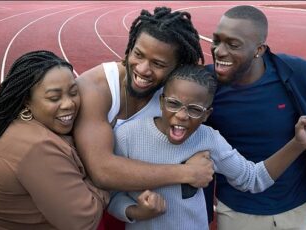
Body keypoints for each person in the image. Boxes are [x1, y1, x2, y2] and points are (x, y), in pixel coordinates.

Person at [106, 64, 306, 230]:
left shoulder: (208, 139)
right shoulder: (126, 136)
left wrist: (298, 144)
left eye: (194, 109)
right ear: (162, 102)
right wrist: (136, 211)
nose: (181, 115)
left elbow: (253, 179)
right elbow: (112, 195)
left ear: (207, 114)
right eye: (173, 104)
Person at [73, 7, 214, 229]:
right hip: (97, 209)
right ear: (129, 49)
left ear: (178, 68)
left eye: (158, 64)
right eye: (138, 54)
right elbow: (101, 171)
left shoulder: (176, 94)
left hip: (150, 210)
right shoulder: (95, 87)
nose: (142, 69)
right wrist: (187, 172)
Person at [204, 5, 306, 230]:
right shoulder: (204, 86)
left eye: (233, 44)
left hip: (296, 209)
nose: (219, 51)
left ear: (259, 49)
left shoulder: (297, 73)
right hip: (237, 212)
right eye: (217, 40)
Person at [0, 50, 109, 230]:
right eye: (54, 98)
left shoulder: (16, 125)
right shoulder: (38, 147)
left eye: (73, 92)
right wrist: (102, 179)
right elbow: (84, 222)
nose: (69, 104)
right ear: (27, 101)